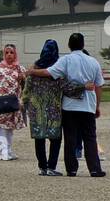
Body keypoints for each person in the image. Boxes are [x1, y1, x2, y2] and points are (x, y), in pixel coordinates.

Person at [29, 32, 104, 177]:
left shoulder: (66, 60)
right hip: (88, 105)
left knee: (70, 137)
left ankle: (72, 169)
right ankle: (94, 168)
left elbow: (48, 72)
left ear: (69, 45)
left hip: (69, 105)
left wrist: (32, 71)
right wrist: (97, 106)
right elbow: (99, 85)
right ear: (83, 45)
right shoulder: (93, 61)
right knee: (90, 137)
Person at [23, 39, 64, 175]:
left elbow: (27, 89)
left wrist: (25, 104)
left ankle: (42, 167)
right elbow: (65, 87)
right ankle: (51, 167)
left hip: (36, 107)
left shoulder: (34, 67)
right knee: (55, 139)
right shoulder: (59, 67)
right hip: (54, 108)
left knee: (39, 138)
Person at [0, 43, 27, 161]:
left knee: (10, 127)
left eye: (12, 52)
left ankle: (8, 150)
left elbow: (26, 85)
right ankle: (3, 151)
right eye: (7, 52)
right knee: (2, 127)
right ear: (4, 54)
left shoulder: (20, 68)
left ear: (15, 54)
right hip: (0, 101)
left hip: (14, 102)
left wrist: (23, 78)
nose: (9, 55)